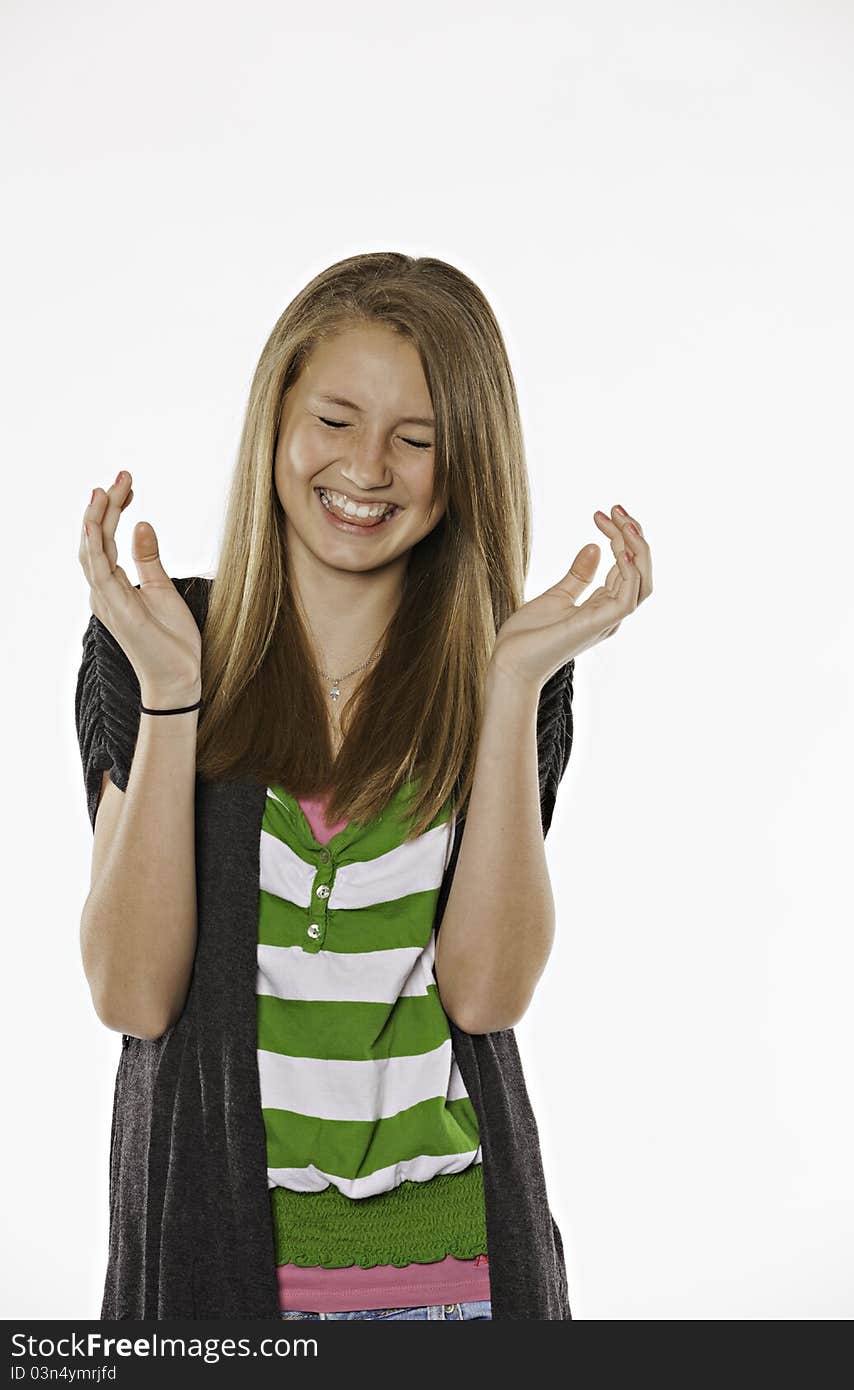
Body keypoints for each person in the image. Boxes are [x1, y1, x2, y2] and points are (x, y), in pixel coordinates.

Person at [75, 252, 653, 1321]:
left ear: (463, 463)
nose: (368, 467)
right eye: (336, 420)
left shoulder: (499, 669)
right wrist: (169, 697)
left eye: (417, 439)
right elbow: (131, 993)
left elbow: (485, 994)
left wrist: (517, 681)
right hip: (220, 1275)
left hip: (457, 1283)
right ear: (277, 421)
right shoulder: (163, 641)